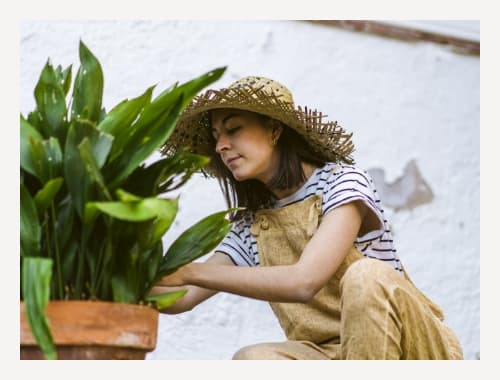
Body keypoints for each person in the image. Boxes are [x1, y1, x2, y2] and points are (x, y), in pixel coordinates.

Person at [154, 76, 463, 360]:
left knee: (365, 275)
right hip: (329, 355)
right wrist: (119, 273)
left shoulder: (342, 183)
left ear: (275, 130)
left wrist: (189, 271)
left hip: (413, 348)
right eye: (216, 136)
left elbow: (304, 281)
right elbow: (181, 298)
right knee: (255, 360)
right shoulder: (250, 226)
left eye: (233, 129)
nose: (221, 145)